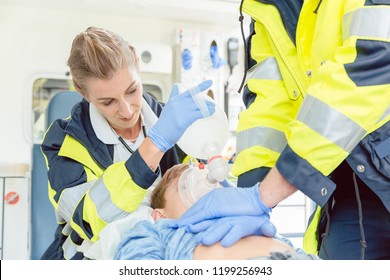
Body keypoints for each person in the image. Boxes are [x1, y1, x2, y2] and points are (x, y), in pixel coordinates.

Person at [173, 0, 390, 260]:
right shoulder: (268, 8)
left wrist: (262, 196)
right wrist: (248, 194)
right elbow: (270, 105)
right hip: (350, 177)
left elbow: (371, 70)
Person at [40, 26, 215, 260]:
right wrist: (155, 144)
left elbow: (201, 185)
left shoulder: (172, 120)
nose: (126, 110)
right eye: (108, 102)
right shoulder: (63, 141)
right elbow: (88, 220)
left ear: (137, 66)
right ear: (82, 91)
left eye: (132, 90)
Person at [114, 163, 316, 260]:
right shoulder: (157, 231)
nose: (202, 188)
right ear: (159, 215)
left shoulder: (244, 221)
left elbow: (289, 248)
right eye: (184, 187)